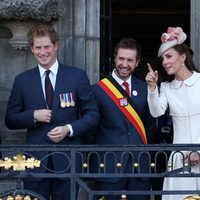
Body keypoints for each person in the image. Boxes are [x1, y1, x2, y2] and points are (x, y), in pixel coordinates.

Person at [4, 23, 99, 200]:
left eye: (47, 46)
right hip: (35, 162)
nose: (43, 52)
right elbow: (10, 119)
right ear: (31, 49)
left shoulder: (76, 76)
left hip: (68, 159)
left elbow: (93, 115)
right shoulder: (22, 81)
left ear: (56, 46)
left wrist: (68, 129)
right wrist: (32, 116)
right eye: (38, 47)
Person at [91, 38, 156, 200]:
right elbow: (90, 130)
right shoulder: (98, 90)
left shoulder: (145, 88)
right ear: (114, 58)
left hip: (140, 167)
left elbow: (152, 125)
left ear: (137, 62)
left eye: (129, 60)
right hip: (108, 166)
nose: (124, 64)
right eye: (121, 59)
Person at [145, 26, 200, 200]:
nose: (165, 62)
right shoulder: (167, 88)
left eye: (169, 56)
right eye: (163, 58)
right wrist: (152, 88)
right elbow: (155, 112)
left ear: (183, 57)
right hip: (179, 158)